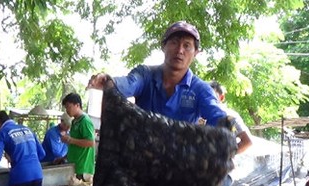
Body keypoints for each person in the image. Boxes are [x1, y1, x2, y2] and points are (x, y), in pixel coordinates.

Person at [87, 21, 228, 126]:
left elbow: (218, 117)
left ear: (196, 53)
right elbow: (128, 84)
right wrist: (109, 81)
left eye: (187, 45)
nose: (180, 50)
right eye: (174, 42)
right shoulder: (145, 74)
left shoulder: (201, 89)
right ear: (163, 46)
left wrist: (227, 132)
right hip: (141, 160)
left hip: (179, 163)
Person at [207, 81, 253, 186]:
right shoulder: (197, 114)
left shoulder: (230, 116)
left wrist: (227, 153)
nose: (207, 98)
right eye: (205, 94)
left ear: (221, 97)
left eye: (212, 95)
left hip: (221, 173)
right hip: (200, 173)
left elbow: (247, 142)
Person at [61, 93, 96, 182]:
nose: (67, 110)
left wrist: (70, 139)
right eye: (66, 108)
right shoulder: (74, 122)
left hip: (82, 168)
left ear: (77, 105)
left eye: (69, 107)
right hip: (74, 166)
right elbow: (74, 145)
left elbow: (90, 142)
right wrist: (64, 157)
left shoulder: (85, 121)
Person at [42, 113, 72, 186]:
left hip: (62, 166)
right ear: (61, 122)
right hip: (49, 166)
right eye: (67, 125)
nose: (68, 128)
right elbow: (57, 153)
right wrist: (67, 142)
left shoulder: (69, 133)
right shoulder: (52, 134)